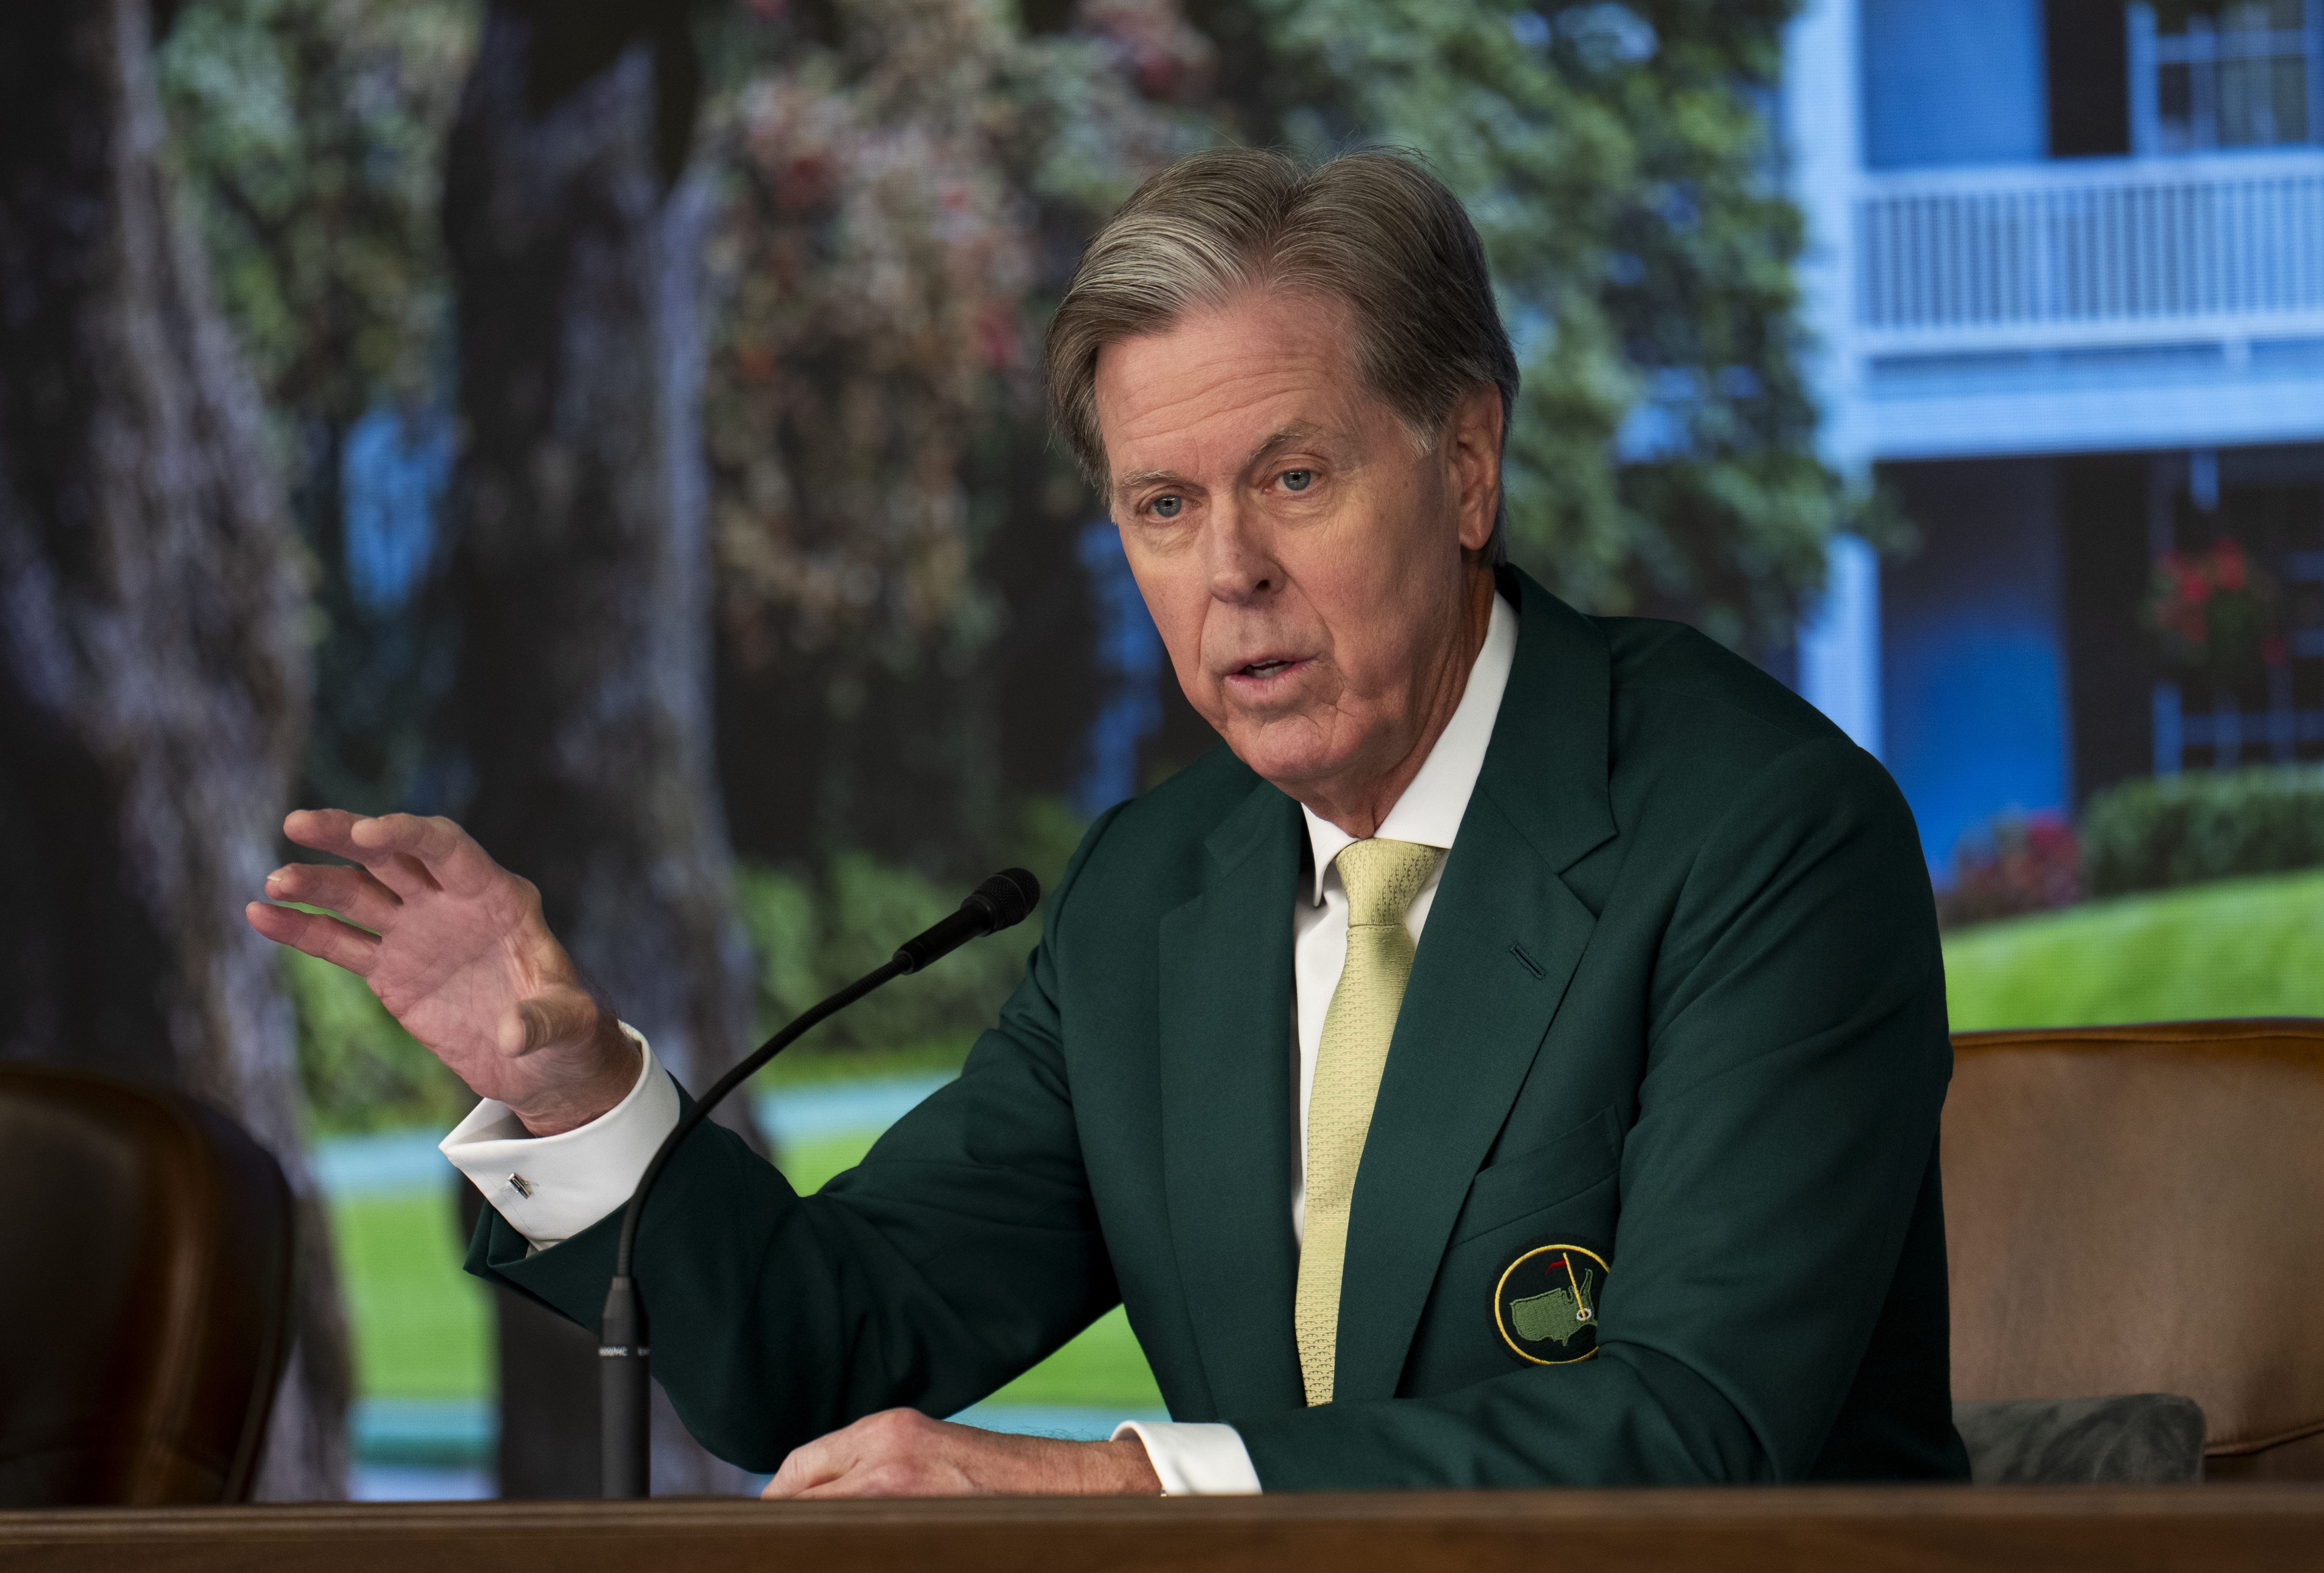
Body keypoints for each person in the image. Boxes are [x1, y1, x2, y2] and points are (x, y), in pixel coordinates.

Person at [248, 147, 1969, 1497]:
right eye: (1164, 507)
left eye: (1293, 480)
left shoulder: (1764, 835)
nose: (1231, 577)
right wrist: (575, 1089)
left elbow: (1694, 1437)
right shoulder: (1162, 891)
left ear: (1464, 465)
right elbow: (822, 1352)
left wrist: (1133, 1484)